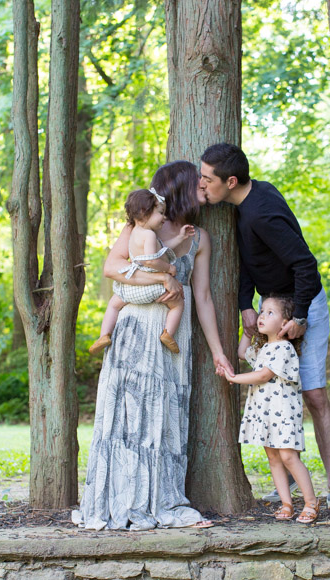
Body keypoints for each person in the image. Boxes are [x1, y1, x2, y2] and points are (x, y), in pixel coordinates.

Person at [199, 142, 330, 516]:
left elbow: (306, 265)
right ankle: (287, 483)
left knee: (315, 394)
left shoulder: (263, 212)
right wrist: (246, 306)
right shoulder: (242, 206)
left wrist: (300, 317)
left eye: (208, 179)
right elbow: (246, 262)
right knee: (268, 387)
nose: (202, 184)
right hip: (272, 306)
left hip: (304, 305)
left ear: (232, 181)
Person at [72, 160, 234, 531]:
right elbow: (111, 267)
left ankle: (161, 499)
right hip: (134, 328)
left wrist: (218, 352)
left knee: (163, 420)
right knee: (127, 417)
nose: (204, 191)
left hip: (171, 336)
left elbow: (204, 298)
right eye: (198, 185)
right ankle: (119, 499)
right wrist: (162, 277)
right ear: (179, 189)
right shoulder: (138, 226)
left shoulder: (199, 238)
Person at [223, 295, 321, 524]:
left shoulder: (284, 348)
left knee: (288, 455)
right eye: (261, 311)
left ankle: (310, 502)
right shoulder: (264, 348)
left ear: (286, 322)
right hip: (265, 413)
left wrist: (234, 378)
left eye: (270, 312)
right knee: (273, 457)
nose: (262, 316)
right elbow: (241, 353)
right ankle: (286, 503)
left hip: (283, 413)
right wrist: (248, 331)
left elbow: (263, 375)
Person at [89, 188, 195, 355]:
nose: (164, 217)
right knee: (178, 304)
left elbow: (162, 250)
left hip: (130, 288)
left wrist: (180, 238)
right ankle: (168, 334)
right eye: (161, 212)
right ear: (144, 213)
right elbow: (151, 260)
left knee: (114, 304)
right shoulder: (150, 235)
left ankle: (104, 335)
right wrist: (168, 268)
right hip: (152, 287)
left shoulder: (134, 233)